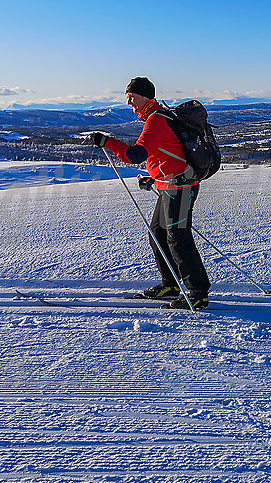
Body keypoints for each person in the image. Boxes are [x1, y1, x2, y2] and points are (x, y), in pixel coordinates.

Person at [90, 76, 210, 310]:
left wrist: (107, 142)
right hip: (169, 185)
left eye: (131, 97)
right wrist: (153, 177)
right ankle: (171, 284)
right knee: (158, 233)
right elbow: (165, 153)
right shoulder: (156, 118)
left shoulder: (156, 120)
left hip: (181, 187)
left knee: (178, 238)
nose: (129, 102)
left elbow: (136, 155)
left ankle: (198, 293)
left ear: (145, 96)